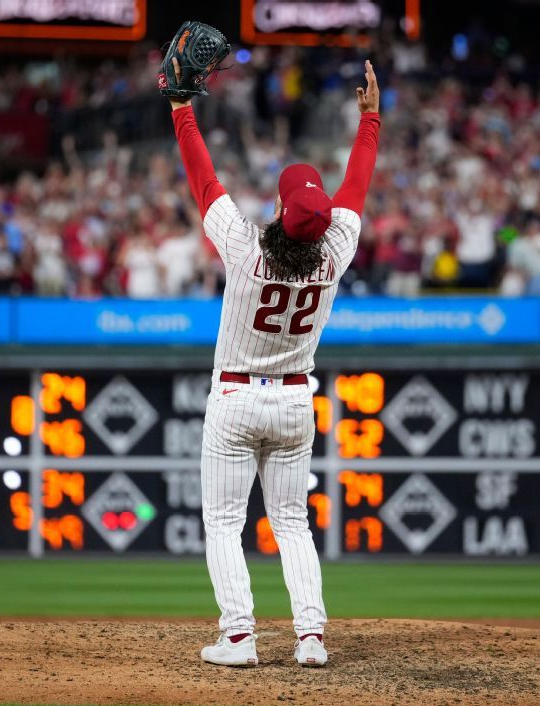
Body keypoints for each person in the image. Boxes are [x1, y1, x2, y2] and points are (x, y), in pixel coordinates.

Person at [168, 59, 380, 668]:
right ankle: (310, 639)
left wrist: (182, 110)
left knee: (225, 523)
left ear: (282, 210)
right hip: (294, 400)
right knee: (291, 523)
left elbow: (205, 181)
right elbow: (357, 187)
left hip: (235, 398)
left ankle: (240, 638)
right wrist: (371, 121)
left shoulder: (244, 245)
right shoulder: (336, 250)